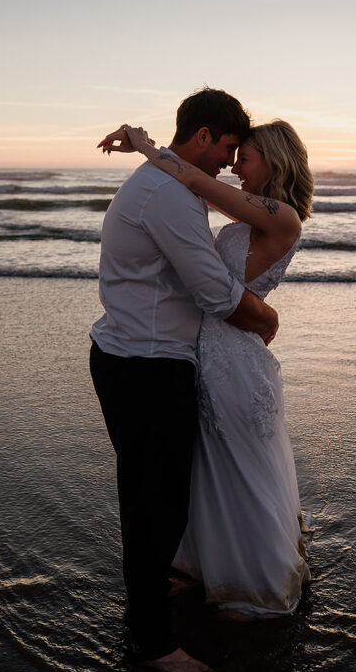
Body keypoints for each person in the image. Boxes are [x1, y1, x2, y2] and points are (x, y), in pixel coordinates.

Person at [89, 88, 279, 672]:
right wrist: (267, 319)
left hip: (129, 354)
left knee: (151, 495)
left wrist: (143, 141)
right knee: (156, 503)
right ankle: (150, 642)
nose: (228, 160)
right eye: (226, 146)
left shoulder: (163, 181)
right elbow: (214, 294)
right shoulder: (169, 195)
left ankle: (158, 586)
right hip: (147, 365)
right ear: (201, 137)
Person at [98, 117, 314, 618]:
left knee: (242, 469)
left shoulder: (282, 217)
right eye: (234, 155)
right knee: (208, 468)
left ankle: (254, 582)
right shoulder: (248, 219)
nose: (236, 166)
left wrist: (142, 146)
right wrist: (147, 148)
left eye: (247, 156)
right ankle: (204, 566)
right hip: (208, 353)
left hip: (235, 360)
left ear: (275, 161)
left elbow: (194, 180)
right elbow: (188, 184)